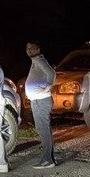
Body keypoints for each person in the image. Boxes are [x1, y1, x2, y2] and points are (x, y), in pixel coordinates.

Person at [24, 41, 56, 169]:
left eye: (32, 48)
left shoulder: (39, 60)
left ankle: (48, 160)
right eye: (27, 48)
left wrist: (46, 88)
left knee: (43, 129)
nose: (29, 50)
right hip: (37, 100)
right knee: (43, 129)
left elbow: (52, 73)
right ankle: (48, 159)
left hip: (41, 101)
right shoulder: (35, 61)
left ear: (38, 49)